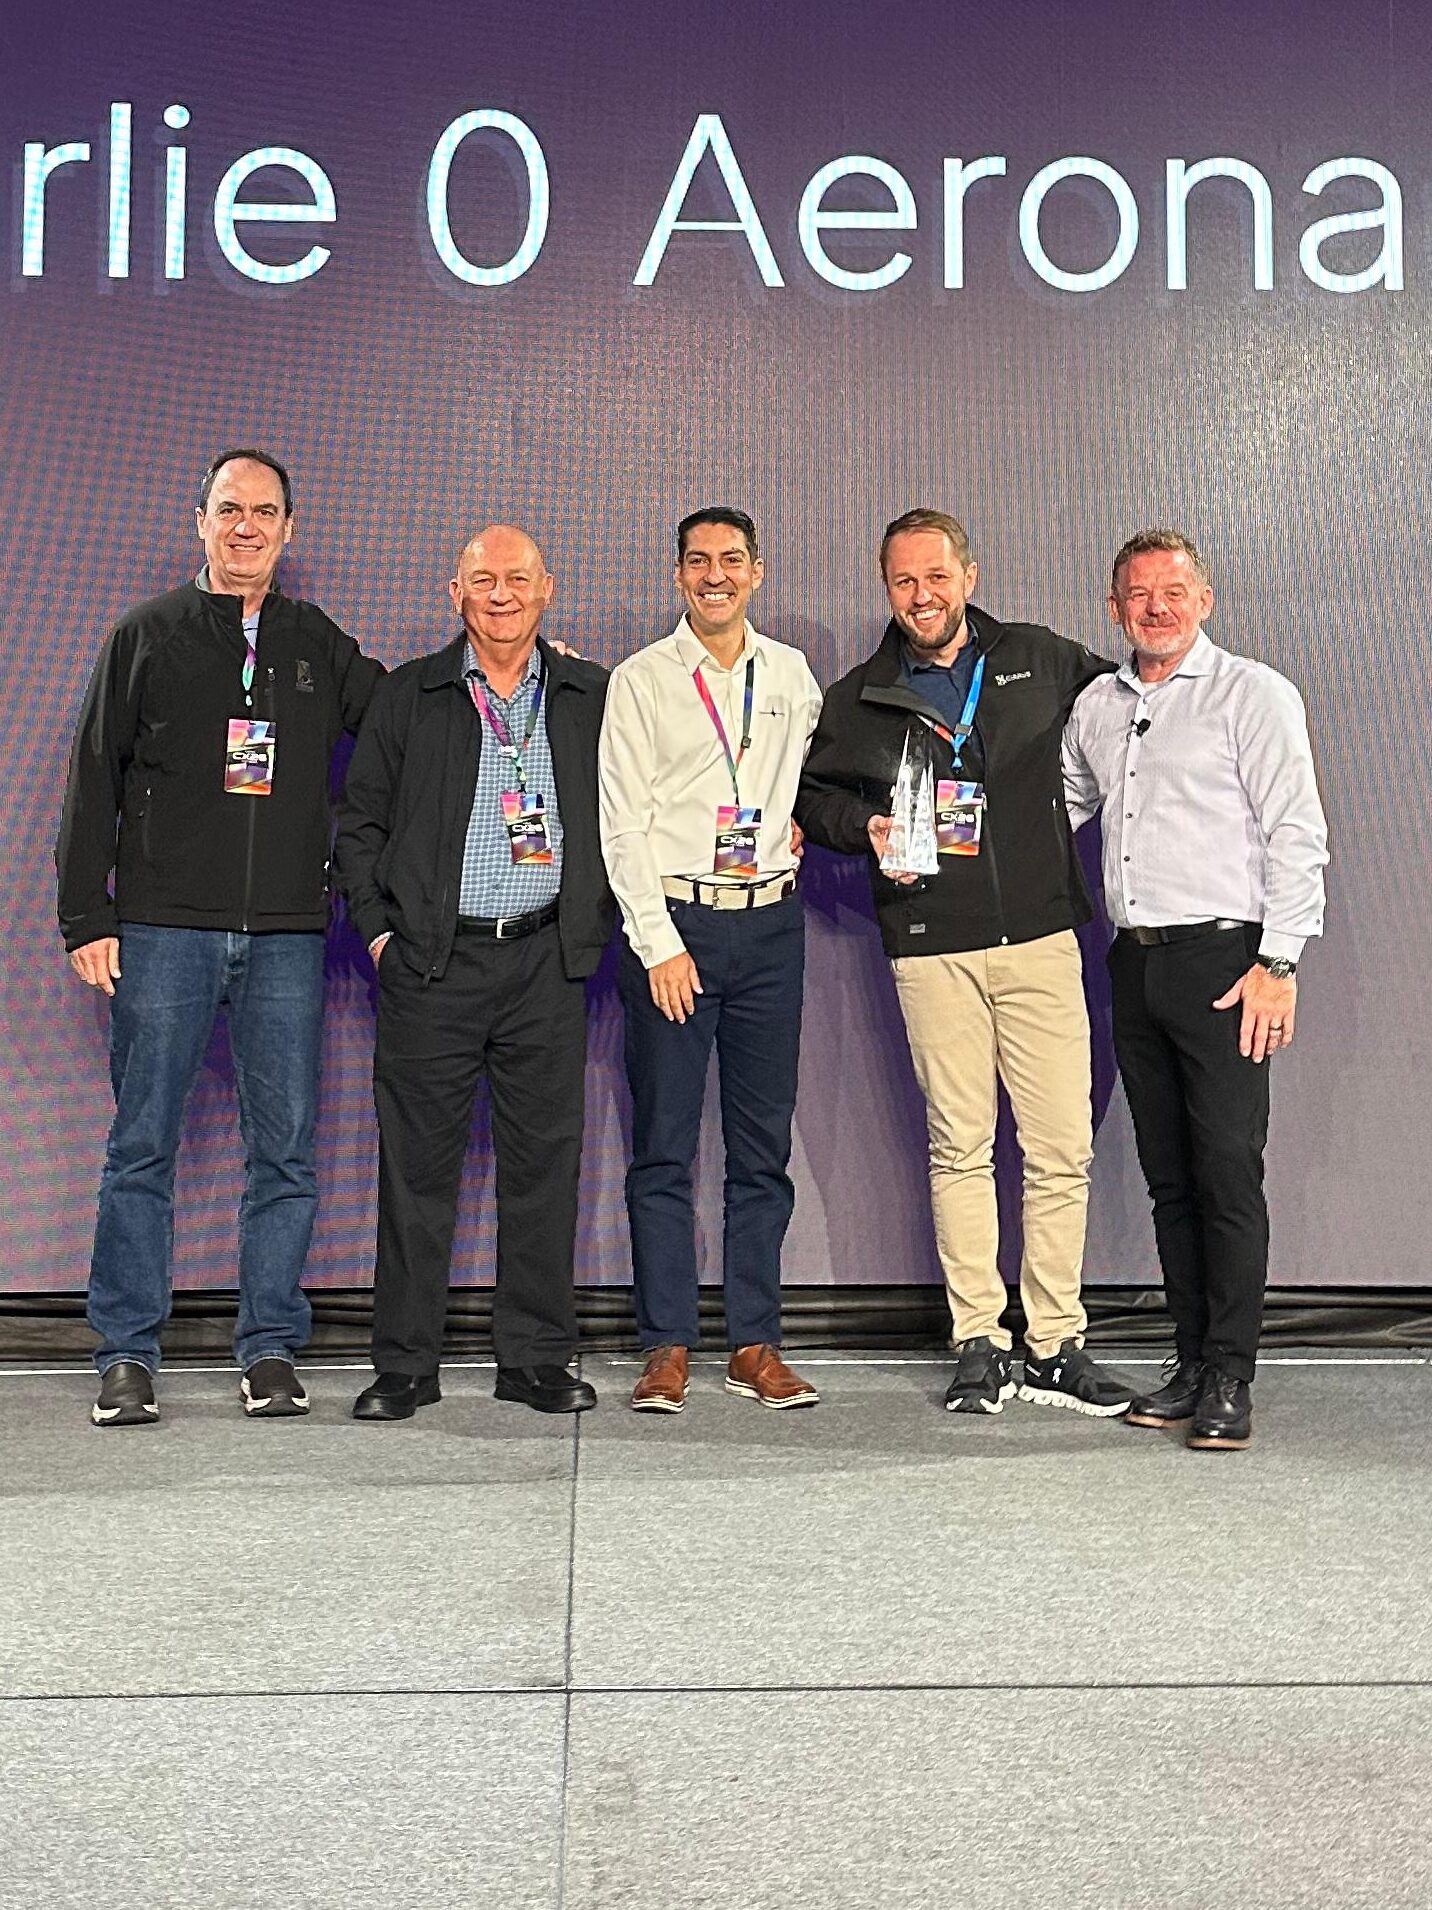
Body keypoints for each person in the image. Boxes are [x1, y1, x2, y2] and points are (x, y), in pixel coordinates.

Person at [56, 449, 383, 1427]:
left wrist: (513, 669)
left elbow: (404, 720)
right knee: (141, 1147)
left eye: (265, 512)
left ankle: (270, 1346)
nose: (247, 527)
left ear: (289, 529)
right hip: (163, 930)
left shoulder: (315, 640)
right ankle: (125, 1352)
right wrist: (86, 916)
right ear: (199, 520)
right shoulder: (146, 634)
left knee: (283, 1153)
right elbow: (93, 774)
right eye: (230, 509)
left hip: (285, 936)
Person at [797, 508, 1134, 1417]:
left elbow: (1128, 710)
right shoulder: (858, 698)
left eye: (936, 577)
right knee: (961, 1148)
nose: (922, 596)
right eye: (904, 581)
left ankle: (1055, 1343)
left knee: (1060, 1148)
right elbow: (811, 802)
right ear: (886, 588)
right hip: (932, 948)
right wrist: (864, 827)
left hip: (1041, 940)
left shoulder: (1037, 658)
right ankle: (979, 1340)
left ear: (969, 576)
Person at [335, 524, 613, 1421]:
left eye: (517, 579)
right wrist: (380, 936)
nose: (501, 595)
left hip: (545, 963)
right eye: (483, 580)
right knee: (415, 1171)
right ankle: (404, 1364)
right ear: (454, 594)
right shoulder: (409, 694)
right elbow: (359, 825)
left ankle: (536, 1358)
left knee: (544, 1169)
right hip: (432, 963)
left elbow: (639, 810)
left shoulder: (589, 694)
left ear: (547, 590)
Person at [1062, 529, 1328, 1451]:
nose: (1157, 608)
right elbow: (1054, 809)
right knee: (1169, 1179)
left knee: (1226, 1173)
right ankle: (1188, 1362)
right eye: (1138, 594)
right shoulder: (1098, 706)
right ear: (1114, 608)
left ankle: (1230, 1375)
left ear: (1204, 600)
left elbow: (1297, 831)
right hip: (1133, 965)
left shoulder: (1253, 694)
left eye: (1173, 591)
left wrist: (1280, 963)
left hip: (1228, 966)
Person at [599, 508, 823, 1413]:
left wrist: (794, 828)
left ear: (757, 572)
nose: (716, 575)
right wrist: (658, 944)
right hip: (675, 930)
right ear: (679, 576)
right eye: (699, 562)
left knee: (761, 1151)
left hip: (770, 929)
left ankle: (755, 1344)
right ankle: (667, 1345)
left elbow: (803, 781)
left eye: (732, 560)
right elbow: (621, 826)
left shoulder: (793, 676)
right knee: (663, 1150)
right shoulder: (642, 680)